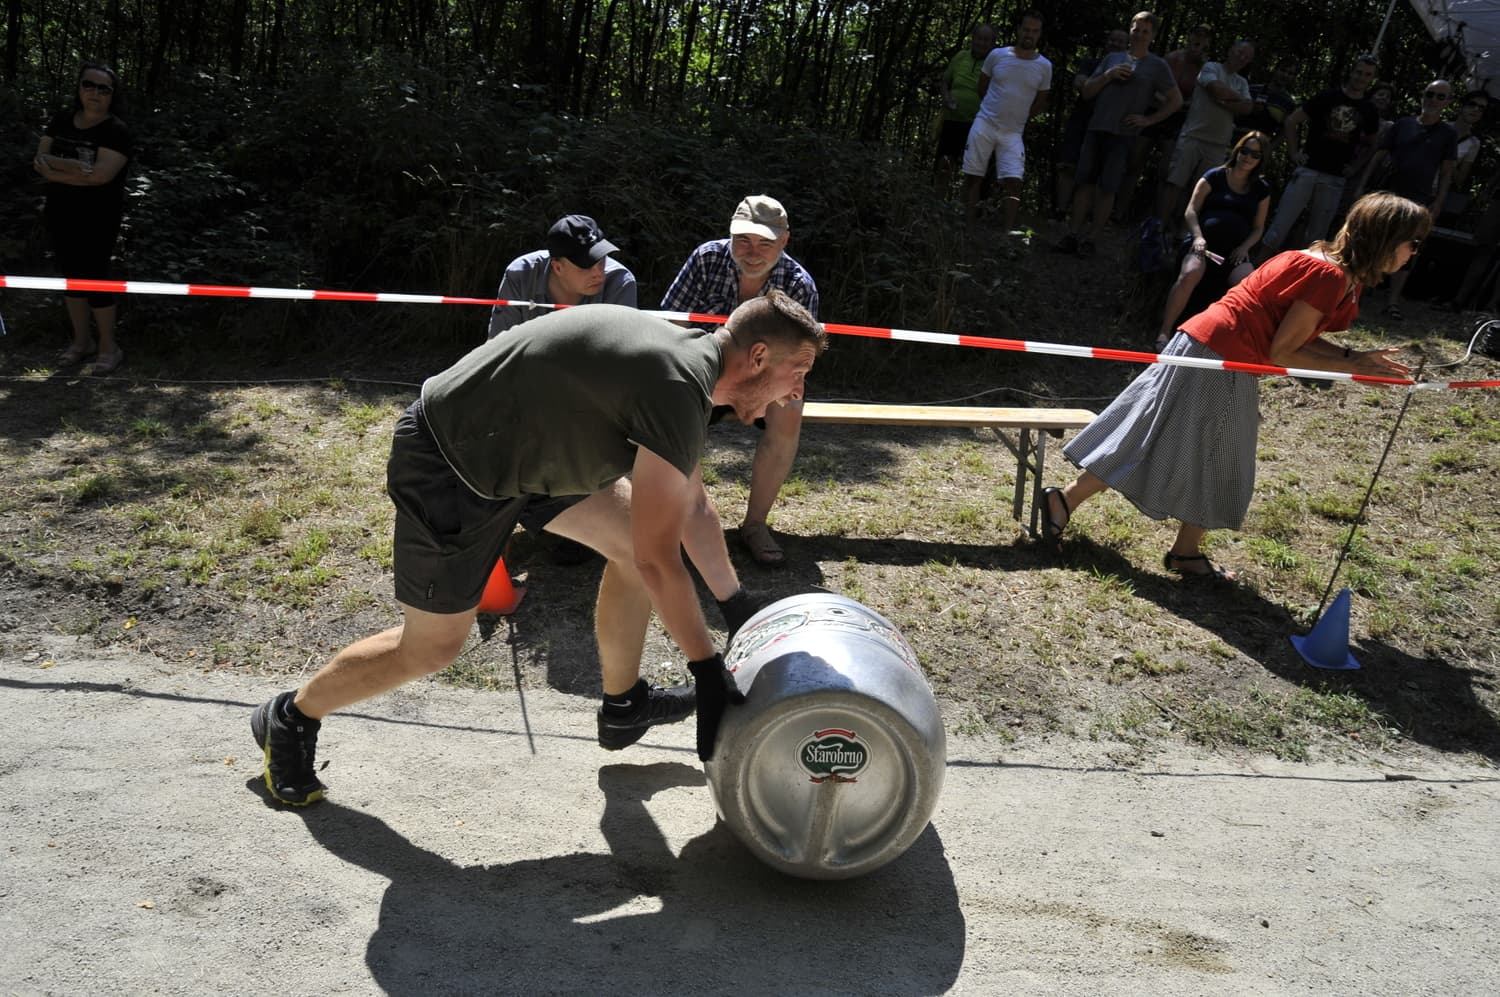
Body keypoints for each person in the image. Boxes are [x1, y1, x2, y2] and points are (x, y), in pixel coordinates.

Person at [250, 292, 828, 805]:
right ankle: (292, 717)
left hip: (532, 458)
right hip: (453, 461)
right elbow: (662, 558)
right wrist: (707, 672)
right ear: (757, 358)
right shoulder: (679, 381)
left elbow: (693, 508)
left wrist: (736, 605)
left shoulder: (692, 373)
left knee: (631, 547)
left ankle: (623, 703)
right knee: (429, 649)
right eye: (797, 371)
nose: (797, 390)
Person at [1042, 192, 1422, 580]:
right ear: (1386, 238)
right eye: (1413, 242)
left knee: (1164, 437)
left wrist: (1350, 358)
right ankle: (1153, 539)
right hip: (1220, 355)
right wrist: (1351, 364)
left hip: (1209, 346)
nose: (1414, 252)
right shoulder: (1330, 277)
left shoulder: (1318, 262)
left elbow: (1292, 333)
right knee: (1219, 457)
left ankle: (1084, 508)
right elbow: (1284, 351)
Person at [661, 195, 820, 567]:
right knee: (669, 404)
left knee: (791, 409)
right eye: (743, 240)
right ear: (730, 236)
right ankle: (679, 517)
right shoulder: (704, 259)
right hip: (704, 373)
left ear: (784, 241)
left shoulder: (799, 284)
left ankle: (755, 525)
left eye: (765, 242)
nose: (752, 252)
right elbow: (669, 327)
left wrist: (770, 386)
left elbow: (800, 361)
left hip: (765, 382)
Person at [31, 62, 134, 374]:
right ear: (79, 87)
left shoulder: (117, 130)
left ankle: (108, 347)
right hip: (60, 211)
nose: (95, 93)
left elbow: (101, 176)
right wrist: (78, 170)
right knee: (70, 277)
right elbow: (40, 161)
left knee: (96, 276)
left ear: (112, 96)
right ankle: (81, 343)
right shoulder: (61, 120)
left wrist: (60, 169)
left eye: (104, 89)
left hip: (98, 216)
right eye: (89, 85)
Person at [1055, 11, 1181, 258]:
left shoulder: (1158, 66)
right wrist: (1108, 75)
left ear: (1152, 36)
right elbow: (1087, 92)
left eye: (1146, 31)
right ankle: (1072, 235)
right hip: (1096, 128)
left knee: (1108, 188)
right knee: (1084, 184)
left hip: (1124, 135)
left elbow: (1175, 100)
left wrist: (1148, 120)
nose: (1140, 35)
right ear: (1130, 29)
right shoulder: (1112, 58)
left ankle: (1091, 240)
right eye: (1136, 29)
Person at [1155, 131, 1273, 349]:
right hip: (1203, 247)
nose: (1248, 157)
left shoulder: (1261, 190)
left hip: (1234, 252)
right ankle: (1164, 332)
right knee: (1190, 272)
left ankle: (1225, 342)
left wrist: (1245, 247)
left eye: (1255, 155)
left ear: (1261, 160)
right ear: (1237, 151)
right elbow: (1191, 210)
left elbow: (1258, 228)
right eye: (1245, 151)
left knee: (1250, 285)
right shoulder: (1214, 176)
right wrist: (1198, 237)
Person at [1356, 79, 1458, 318]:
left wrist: (1439, 202)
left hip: (1420, 200)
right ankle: (1356, 293)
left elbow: (1447, 172)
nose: (1433, 99)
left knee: (1410, 248)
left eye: (1440, 96)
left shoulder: (1447, 134)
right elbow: (1379, 155)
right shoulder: (1402, 124)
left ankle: (1392, 302)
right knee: (1375, 240)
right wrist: (1362, 185)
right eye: (1430, 93)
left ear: (1448, 102)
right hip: (1389, 194)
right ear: (1423, 95)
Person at [1259, 55, 1380, 254]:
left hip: (1335, 177)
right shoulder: (1327, 97)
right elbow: (1291, 121)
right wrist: (1294, 152)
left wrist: (1355, 167)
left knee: (1316, 237)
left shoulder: (1369, 110)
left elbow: (1372, 144)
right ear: (1352, 71)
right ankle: (1255, 268)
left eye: (1367, 75)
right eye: (1359, 72)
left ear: (1371, 79)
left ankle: (1303, 279)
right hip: (1308, 169)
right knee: (1279, 227)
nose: (1361, 78)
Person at [961, 10, 1052, 229]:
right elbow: (982, 86)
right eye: (1026, 29)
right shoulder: (997, 55)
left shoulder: (1044, 66)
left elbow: (1041, 100)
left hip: (1013, 132)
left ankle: (1007, 232)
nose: (1029, 35)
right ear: (1019, 30)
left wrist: (1020, 117)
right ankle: (966, 225)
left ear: (1039, 34)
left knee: (1014, 180)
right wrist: (993, 110)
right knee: (974, 174)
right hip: (985, 123)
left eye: (1035, 31)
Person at [1157, 40, 1255, 235]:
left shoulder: (1242, 82)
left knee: (1200, 192)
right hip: (1193, 136)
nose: (1241, 57)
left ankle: (1183, 234)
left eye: (1246, 56)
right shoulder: (1211, 68)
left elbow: (1247, 108)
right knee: (1174, 184)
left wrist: (1225, 99)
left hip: (1218, 145)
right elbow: (1216, 90)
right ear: (1230, 50)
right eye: (1239, 52)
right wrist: (1235, 99)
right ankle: (1157, 228)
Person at [486, 215, 637, 339]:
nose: (598, 272)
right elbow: (498, 347)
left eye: (602, 260)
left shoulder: (620, 283)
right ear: (558, 267)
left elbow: (621, 357)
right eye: (586, 265)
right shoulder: (520, 275)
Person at [1055, 28, 1130, 216]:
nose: (1116, 45)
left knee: (1095, 175)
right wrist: (1104, 79)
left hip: (1107, 126)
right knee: (1068, 166)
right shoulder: (1091, 63)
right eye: (1113, 40)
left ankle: (1085, 215)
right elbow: (1080, 83)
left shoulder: (1130, 70)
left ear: (1127, 46)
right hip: (1081, 121)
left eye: (1121, 42)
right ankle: (1060, 211)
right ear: (1107, 42)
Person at [934, 24, 997, 190]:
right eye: (979, 38)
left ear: (992, 44)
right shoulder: (961, 56)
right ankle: (937, 207)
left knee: (974, 172)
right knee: (944, 165)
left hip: (978, 125)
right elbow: (945, 81)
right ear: (973, 39)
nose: (982, 43)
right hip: (952, 119)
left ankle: (964, 211)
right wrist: (946, 97)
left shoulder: (995, 64)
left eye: (986, 40)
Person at [1452, 91, 1489, 193]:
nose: (1476, 109)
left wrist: (1450, 160)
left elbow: (1459, 180)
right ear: (1461, 106)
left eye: (1481, 108)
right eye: (1472, 104)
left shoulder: (1474, 143)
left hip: (1434, 192)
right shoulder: (1440, 127)